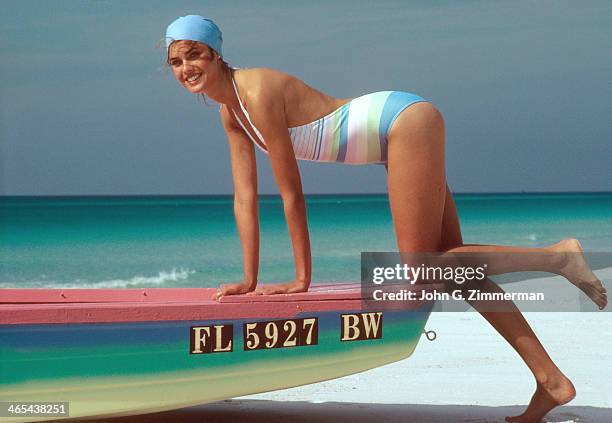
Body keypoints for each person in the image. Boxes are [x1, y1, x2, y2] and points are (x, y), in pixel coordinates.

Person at [163, 15, 607, 423]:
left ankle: (558, 259)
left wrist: (302, 279)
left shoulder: (256, 92)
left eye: (194, 54)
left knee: (421, 268)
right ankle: (550, 380)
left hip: (402, 123)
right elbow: (245, 199)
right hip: (396, 135)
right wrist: (248, 279)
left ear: (216, 54)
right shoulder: (230, 115)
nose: (187, 68)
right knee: (459, 272)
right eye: (176, 61)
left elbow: (290, 193)